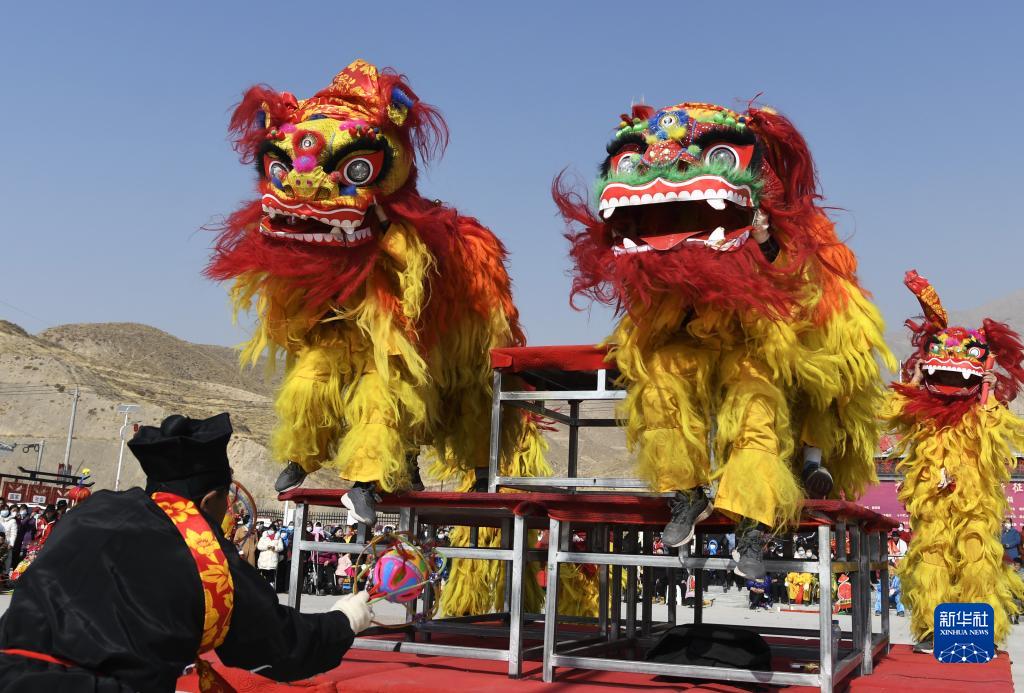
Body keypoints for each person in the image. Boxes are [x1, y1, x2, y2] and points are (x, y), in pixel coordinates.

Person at [0, 412, 373, 691]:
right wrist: (343, 621)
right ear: (210, 500)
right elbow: (279, 646)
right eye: (226, 499)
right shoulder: (206, 555)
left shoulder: (92, 511)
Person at [887, 271, 1024, 653]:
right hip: (932, 502)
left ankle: (978, 634)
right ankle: (931, 629)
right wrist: (915, 381)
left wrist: (988, 392)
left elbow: (996, 433)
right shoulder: (922, 412)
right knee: (932, 559)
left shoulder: (983, 411)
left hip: (975, 505)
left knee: (977, 558)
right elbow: (891, 412)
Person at [0, 506, 17, 574]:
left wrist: (11, 544)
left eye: (6, 509)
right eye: (3, 509)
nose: (4, 511)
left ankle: (5, 576)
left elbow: (13, 533)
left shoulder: (12, 521)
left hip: (7, 544)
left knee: (6, 561)